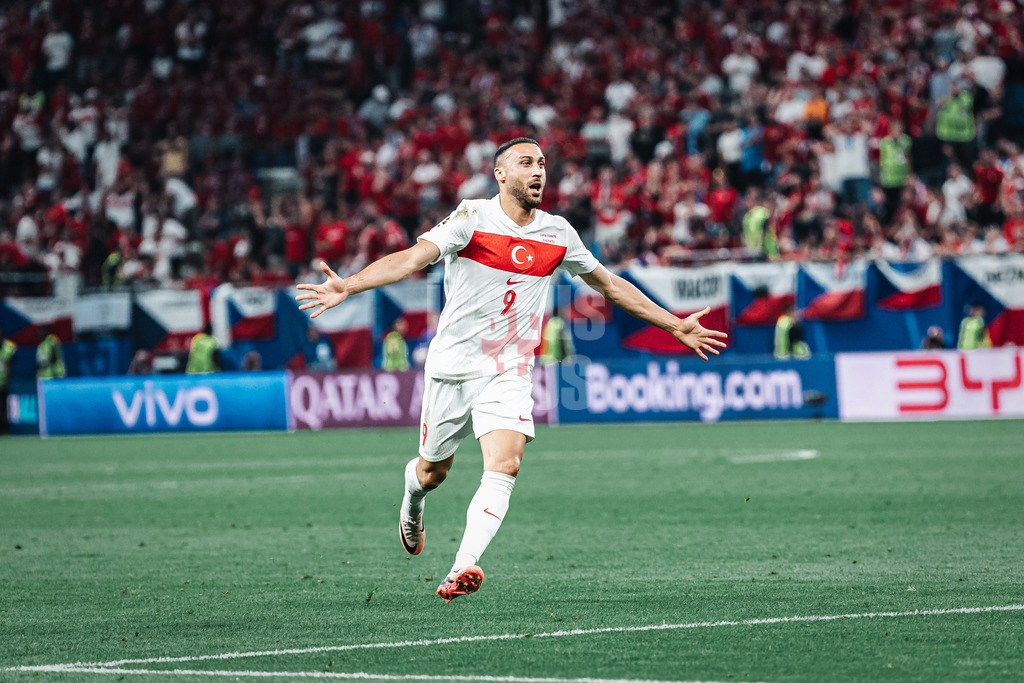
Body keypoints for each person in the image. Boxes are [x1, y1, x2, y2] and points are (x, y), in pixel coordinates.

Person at [296, 138, 727, 602]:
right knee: (432, 473)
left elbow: (609, 285)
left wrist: (673, 325)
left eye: (542, 163)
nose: (538, 171)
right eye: (526, 163)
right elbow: (413, 258)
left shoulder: (558, 233)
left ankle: (463, 565)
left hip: (509, 370)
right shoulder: (471, 217)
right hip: (451, 369)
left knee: (506, 464)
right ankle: (412, 498)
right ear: (501, 174)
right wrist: (352, 285)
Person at [0, 328, 16, 434]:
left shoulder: (8, 346)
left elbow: (11, 363)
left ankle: (5, 430)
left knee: (4, 408)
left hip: (3, 383)